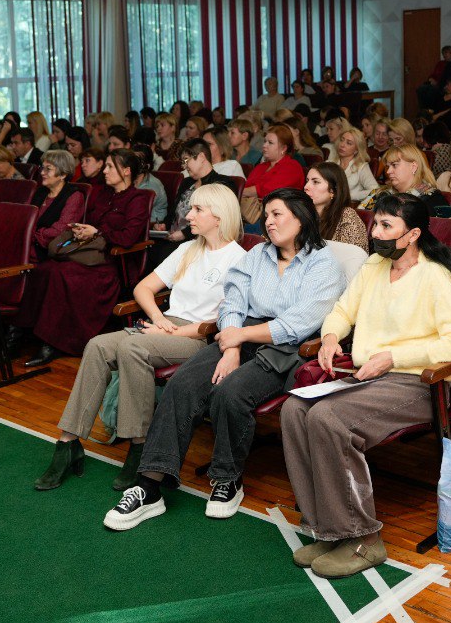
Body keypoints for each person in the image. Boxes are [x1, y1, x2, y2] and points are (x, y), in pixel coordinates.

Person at [104, 189, 346, 531]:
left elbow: (299, 323)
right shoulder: (258, 254)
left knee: (230, 392)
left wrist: (240, 337)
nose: (269, 221)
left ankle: (227, 480)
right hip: (238, 335)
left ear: (301, 217)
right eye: (267, 215)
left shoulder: (323, 265)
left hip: (285, 349)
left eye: (277, 214)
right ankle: (148, 487)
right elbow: (232, 301)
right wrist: (231, 347)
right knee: (183, 384)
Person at [283, 192, 451, 578]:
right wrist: (330, 336)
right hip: (368, 378)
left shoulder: (434, 276)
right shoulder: (374, 265)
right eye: (376, 224)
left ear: (413, 235)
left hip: (416, 385)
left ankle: (362, 539)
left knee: (328, 419)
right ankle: (329, 527)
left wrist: (394, 357)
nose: (376, 233)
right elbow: (342, 310)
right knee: (294, 410)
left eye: (387, 226)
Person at [37, 185, 246, 491]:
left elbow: (229, 318)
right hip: (165, 327)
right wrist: (159, 319)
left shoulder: (238, 259)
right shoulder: (189, 249)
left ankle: (140, 445)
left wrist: (171, 329)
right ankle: (68, 442)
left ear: (219, 215)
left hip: (197, 337)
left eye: (198, 210)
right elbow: (143, 288)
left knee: (133, 346)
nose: (188, 215)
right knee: (96, 345)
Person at [12, 148, 153, 368]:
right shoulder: (104, 194)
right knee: (46, 268)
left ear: (126, 171)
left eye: (109, 167)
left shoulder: (139, 198)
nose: (104, 171)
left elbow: (128, 237)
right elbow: (91, 223)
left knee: (59, 273)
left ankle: (52, 342)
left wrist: (96, 233)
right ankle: (21, 333)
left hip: (113, 263)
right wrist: (82, 230)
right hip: (88, 254)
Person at [24, 149, 84, 266]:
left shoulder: (74, 196)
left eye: (48, 169)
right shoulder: (41, 191)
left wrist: (29, 235)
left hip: (48, 250)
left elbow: (60, 230)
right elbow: (25, 216)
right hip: (28, 243)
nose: (42, 173)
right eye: (42, 167)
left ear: (63, 174)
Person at [304, 162, 368, 249]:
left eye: (315, 182)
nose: (306, 187)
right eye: (307, 181)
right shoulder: (303, 212)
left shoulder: (347, 216)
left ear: (333, 191)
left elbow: (354, 257)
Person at [361, 144, 439, 211]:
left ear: (413, 167)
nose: (388, 171)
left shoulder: (431, 199)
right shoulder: (380, 193)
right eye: (388, 166)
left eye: (394, 165)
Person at [242, 125, 306, 204]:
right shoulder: (261, 166)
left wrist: (240, 191)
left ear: (284, 148)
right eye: (265, 141)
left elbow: (269, 191)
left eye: (270, 143)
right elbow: (247, 186)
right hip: (252, 209)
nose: (264, 145)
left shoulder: (292, 167)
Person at [327, 126, 378, 200]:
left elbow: (375, 191)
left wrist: (350, 196)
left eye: (349, 143)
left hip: (350, 207)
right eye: (342, 140)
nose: (342, 145)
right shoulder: (329, 163)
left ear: (356, 150)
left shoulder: (361, 167)